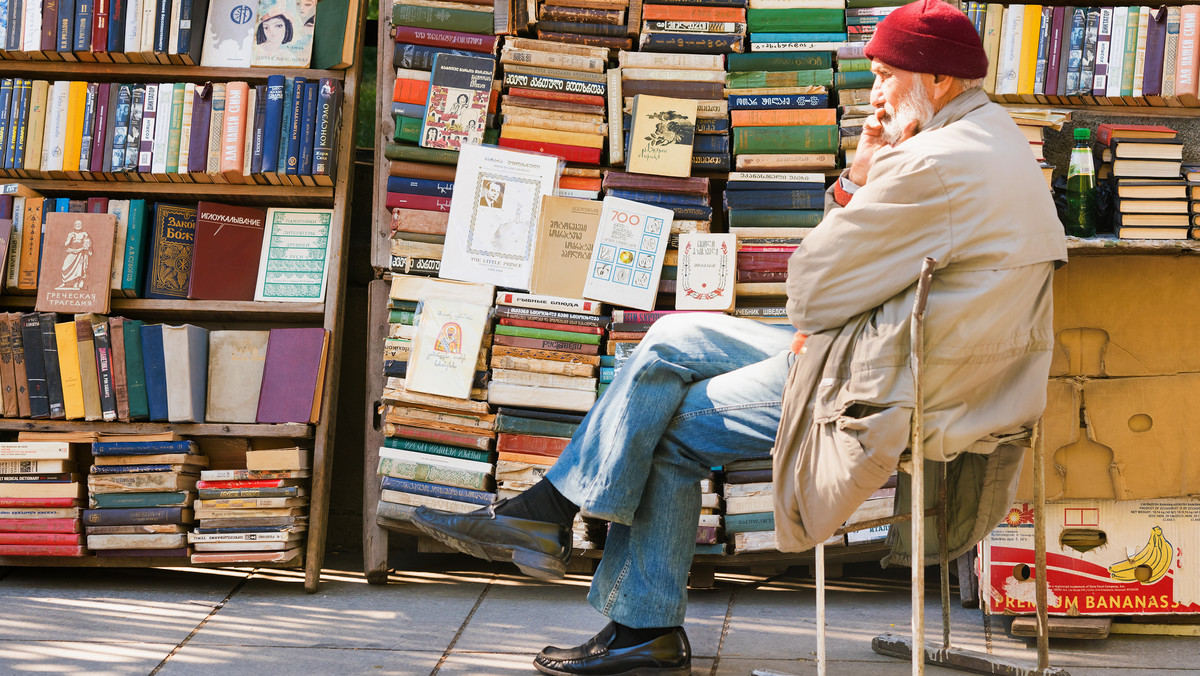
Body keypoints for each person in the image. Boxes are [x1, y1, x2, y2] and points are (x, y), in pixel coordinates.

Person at [411, 2, 1068, 674]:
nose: (874, 94)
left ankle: (635, 619)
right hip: (926, 362)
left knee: (665, 431)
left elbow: (809, 292)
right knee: (670, 339)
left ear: (940, 80)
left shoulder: (930, 163)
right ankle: (550, 512)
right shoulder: (998, 139)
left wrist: (857, 179)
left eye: (886, 75)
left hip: (889, 379)